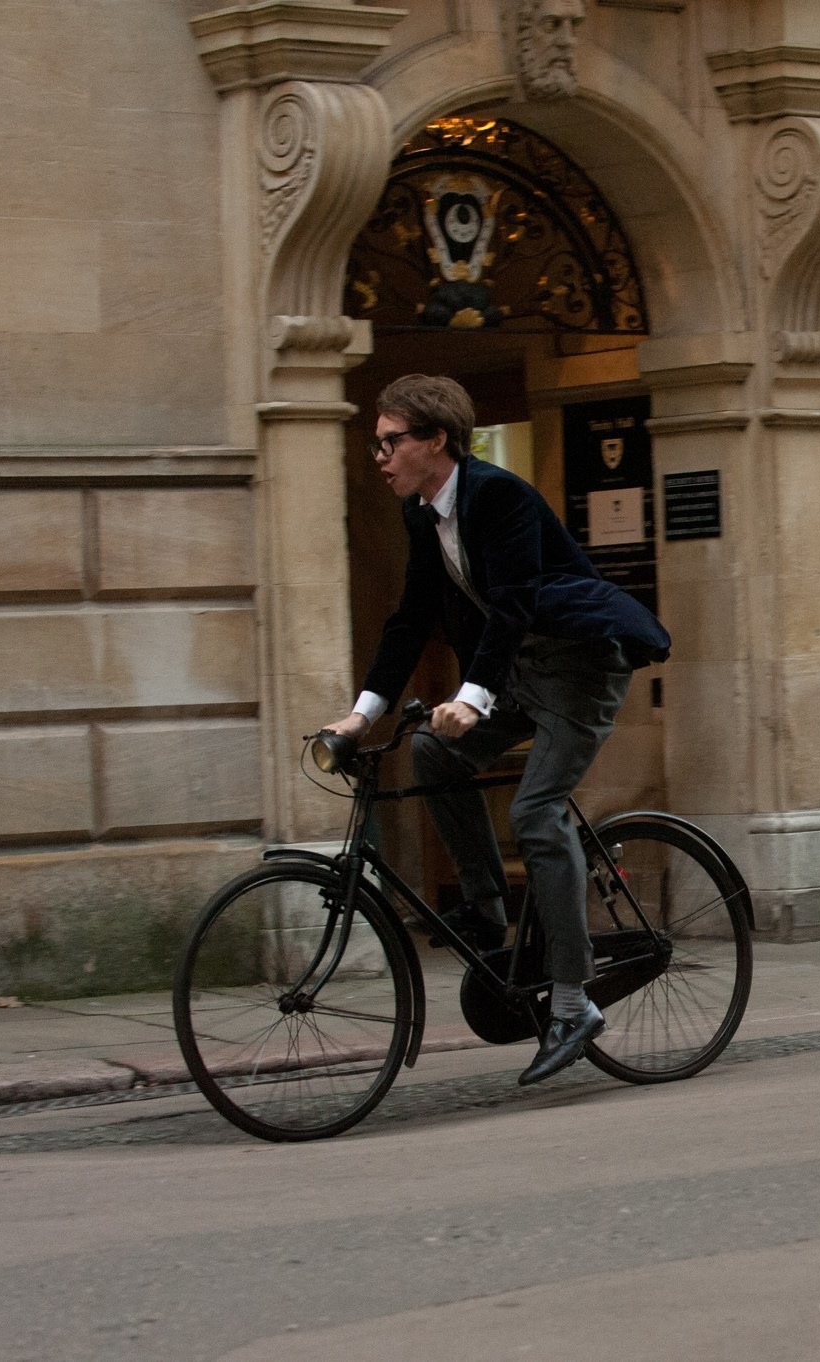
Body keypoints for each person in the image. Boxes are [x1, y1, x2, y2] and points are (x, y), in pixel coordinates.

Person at [323, 374, 668, 1086]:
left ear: (436, 440)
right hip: (519, 668)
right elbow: (411, 617)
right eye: (376, 444)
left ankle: (572, 1004)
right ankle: (485, 911)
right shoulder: (423, 514)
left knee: (536, 814)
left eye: (390, 442)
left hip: (578, 668)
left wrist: (472, 698)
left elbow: (511, 604)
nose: (379, 457)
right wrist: (362, 714)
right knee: (431, 751)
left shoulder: (499, 494)